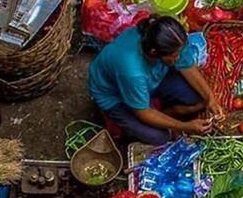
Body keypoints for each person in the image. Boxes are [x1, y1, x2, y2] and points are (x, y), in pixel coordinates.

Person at [88, 16, 220, 145]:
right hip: (114, 94)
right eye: (174, 56)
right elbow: (143, 112)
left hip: (152, 77)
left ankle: (163, 114)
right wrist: (184, 126)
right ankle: (135, 124)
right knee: (159, 137)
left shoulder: (168, 40)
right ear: (154, 52)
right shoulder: (132, 70)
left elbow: (187, 66)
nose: (178, 57)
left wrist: (210, 98)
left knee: (196, 98)